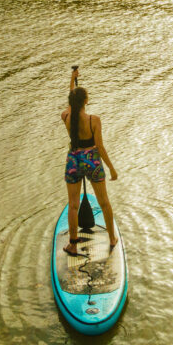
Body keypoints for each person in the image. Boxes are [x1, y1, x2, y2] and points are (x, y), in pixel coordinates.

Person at [62, 67, 118, 255]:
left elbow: (71, 101)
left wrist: (72, 79)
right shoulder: (94, 120)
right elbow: (100, 148)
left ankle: (73, 245)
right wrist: (111, 168)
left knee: (73, 204)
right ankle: (111, 238)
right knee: (104, 203)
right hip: (92, 161)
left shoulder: (66, 117)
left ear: (71, 102)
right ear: (86, 101)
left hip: (73, 161)